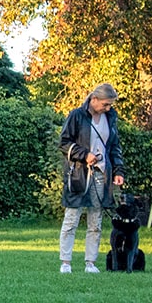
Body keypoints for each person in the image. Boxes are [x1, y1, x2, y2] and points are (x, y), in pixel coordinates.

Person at [57, 82, 126, 274]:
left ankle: (90, 263)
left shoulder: (110, 118)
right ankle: (66, 262)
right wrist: (83, 154)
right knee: (72, 218)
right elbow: (63, 143)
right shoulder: (76, 116)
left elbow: (114, 146)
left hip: (102, 174)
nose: (108, 108)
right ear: (94, 99)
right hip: (79, 174)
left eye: (110, 105)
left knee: (96, 220)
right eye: (105, 104)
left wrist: (119, 171)